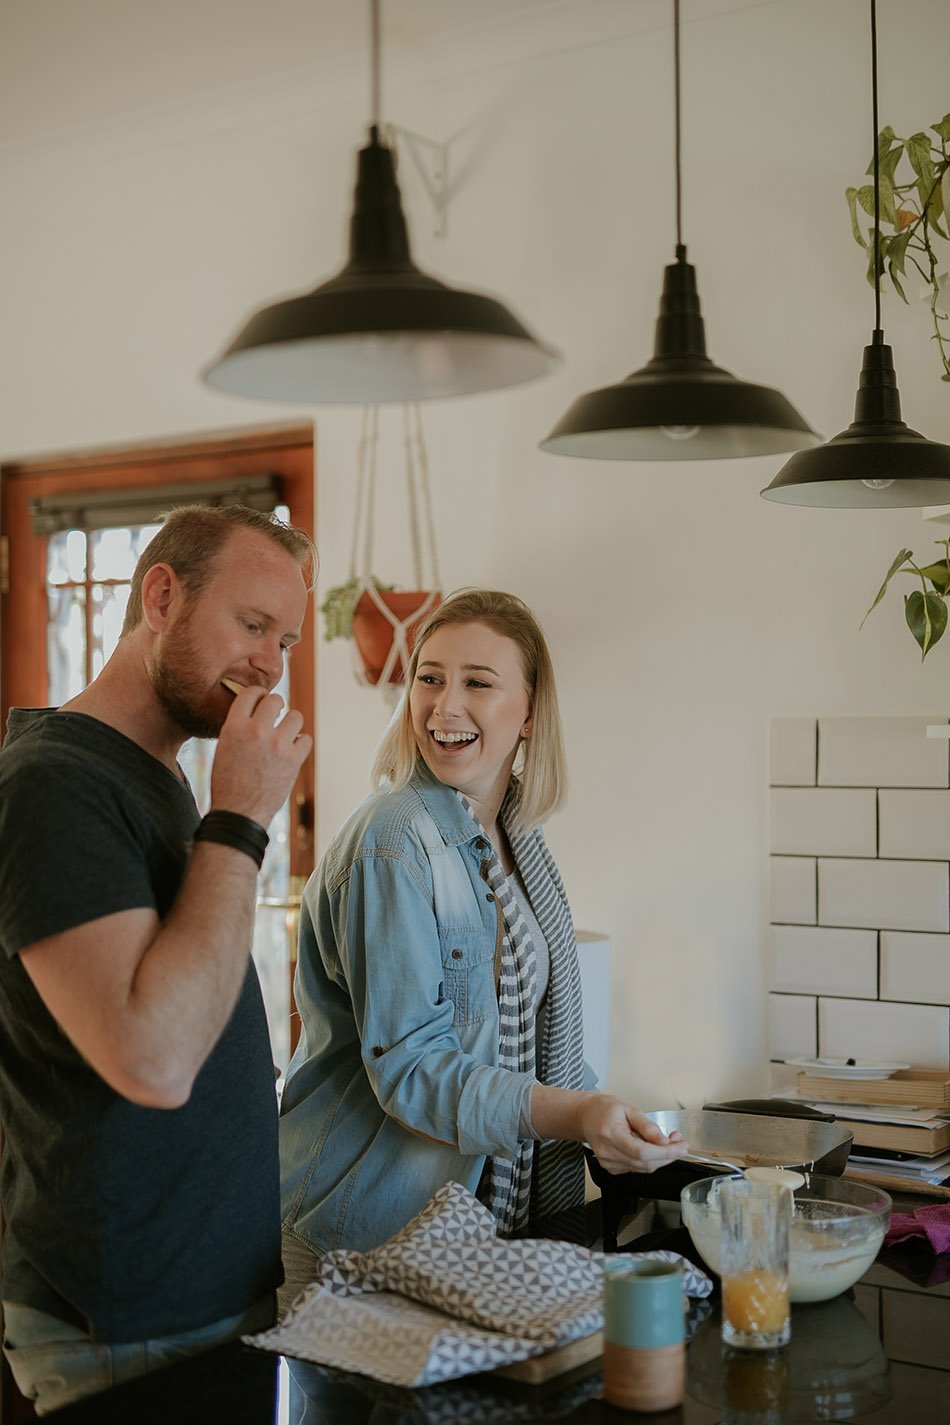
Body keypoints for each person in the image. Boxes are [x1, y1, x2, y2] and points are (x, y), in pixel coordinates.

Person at [278, 588, 687, 1307]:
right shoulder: (394, 841)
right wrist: (579, 1115)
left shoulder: (516, 839)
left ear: (528, 711)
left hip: (468, 1243)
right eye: (430, 677)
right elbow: (413, 1068)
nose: (445, 706)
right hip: (367, 1239)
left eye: (477, 682)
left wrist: (608, 1114)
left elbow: (521, 1038)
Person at [0, 503, 315, 1414]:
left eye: (287, 639)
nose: (271, 663)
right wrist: (245, 816)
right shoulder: (55, 784)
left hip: (211, 1290)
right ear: (162, 596)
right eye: (252, 625)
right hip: (125, 1316)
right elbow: (155, 1057)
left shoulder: (163, 773)